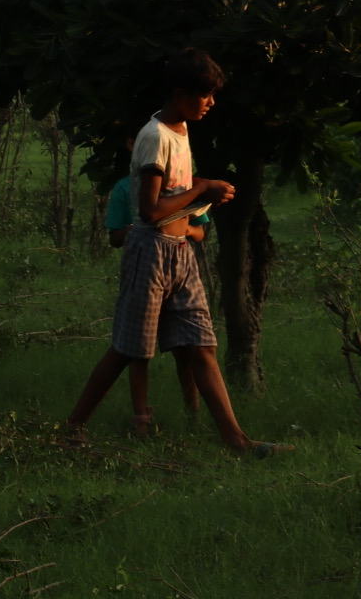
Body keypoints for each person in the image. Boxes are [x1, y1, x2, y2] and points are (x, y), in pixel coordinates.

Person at [66, 48, 288, 457]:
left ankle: (236, 441)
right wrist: (203, 188)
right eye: (205, 95)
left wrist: (202, 188)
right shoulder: (154, 137)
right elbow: (149, 211)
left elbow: (173, 193)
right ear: (180, 92)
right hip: (150, 251)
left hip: (180, 250)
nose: (211, 103)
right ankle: (73, 428)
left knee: (202, 344)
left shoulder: (181, 130)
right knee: (127, 348)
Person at [102, 174, 207, 435]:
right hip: (146, 263)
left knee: (188, 347)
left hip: (179, 265)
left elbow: (199, 231)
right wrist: (134, 230)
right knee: (139, 348)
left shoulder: (183, 186)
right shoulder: (125, 187)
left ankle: (193, 415)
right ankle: (142, 419)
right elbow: (114, 237)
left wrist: (187, 229)